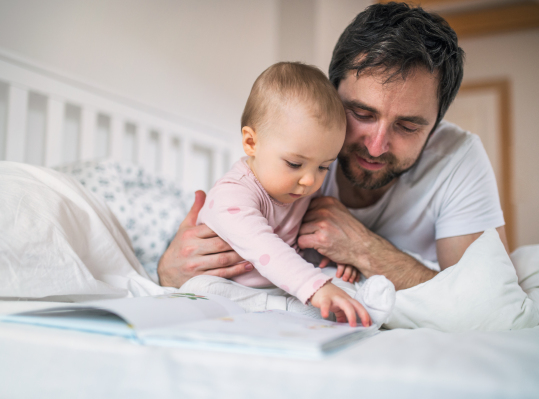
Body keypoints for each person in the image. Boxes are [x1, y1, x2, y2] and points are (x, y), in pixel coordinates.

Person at [157, 2, 508, 296]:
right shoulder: (294, 145)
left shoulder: (458, 157)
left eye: (407, 126)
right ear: (332, 94)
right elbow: (230, 241)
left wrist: (366, 250)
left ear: (436, 127)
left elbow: (488, 300)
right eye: (361, 113)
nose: (376, 145)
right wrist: (169, 271)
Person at [188, 62, 396, 327]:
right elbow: (265, 247)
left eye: (323, 167)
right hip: (231, 288)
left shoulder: (297, 192)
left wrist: (334, 260)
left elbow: (297, 248)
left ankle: (364, 307)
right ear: (251, 143)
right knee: (202, 289)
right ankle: (288, 308)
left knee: (336, 283)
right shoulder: (232, 195)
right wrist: (315, 286)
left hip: (276, 284)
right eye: (295, 164)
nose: (310, 180)